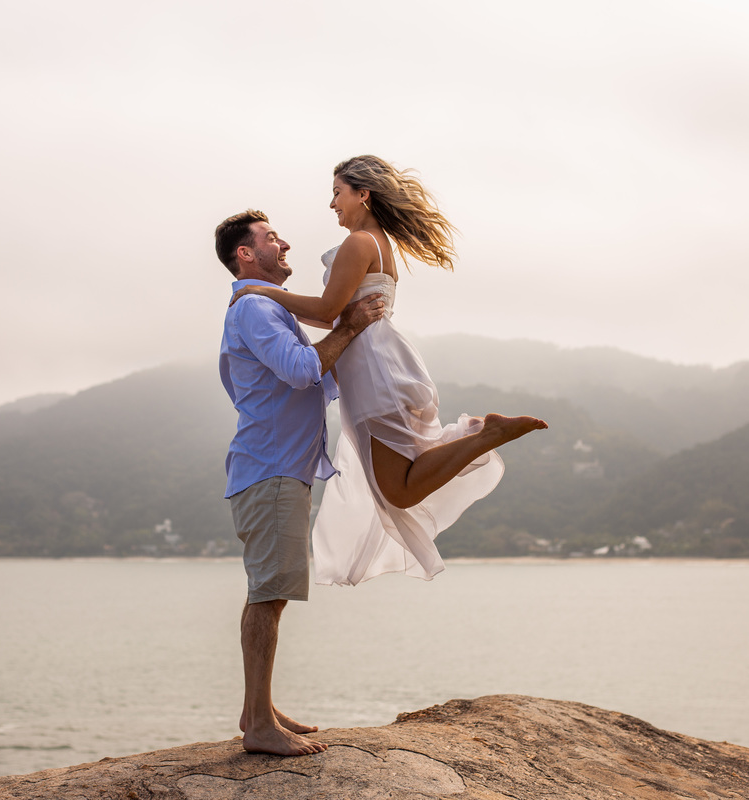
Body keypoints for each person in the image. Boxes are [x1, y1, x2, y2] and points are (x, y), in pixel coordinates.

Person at [231, 155, 548, 586]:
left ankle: (485, 433)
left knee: (397, 490)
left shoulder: (361, 243)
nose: (332, 205)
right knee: (397, 486)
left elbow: (326, 310)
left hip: (374, 370)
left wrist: (260, 291)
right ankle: (477, 432)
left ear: (363, 194)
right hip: (375, 367)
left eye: (337, 194)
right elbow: (332, 318)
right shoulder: (373, 242)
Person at [215, 209, 385, 757]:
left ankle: (255, 709)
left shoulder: (266, 308)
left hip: (275, 467)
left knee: (272, 593)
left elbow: (311, 371)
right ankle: (259, 728)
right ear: (246, 254)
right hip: (270, 469)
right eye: (269, 238)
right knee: (268, 595)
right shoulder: (259, 307)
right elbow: (302, 370)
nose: (282, 243)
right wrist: (350, 326)